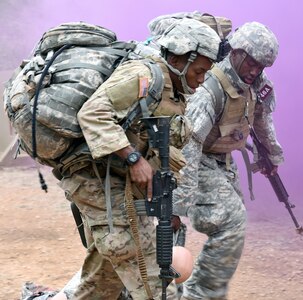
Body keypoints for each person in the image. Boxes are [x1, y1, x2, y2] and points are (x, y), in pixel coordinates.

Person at [55, 18, 220, 300]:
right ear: (181, 58)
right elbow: (93, 114)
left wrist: (167, 202)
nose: (202, 79)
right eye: (199, 70)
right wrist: (133, 158)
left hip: (120, 181)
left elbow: (154, 143)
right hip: (93, 177)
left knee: (105, 279)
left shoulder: (174, 90)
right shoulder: (143, 76)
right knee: (147, 266)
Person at [172, 21, 284, 300]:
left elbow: (261, 120)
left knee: (233, 220)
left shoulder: (257, 84)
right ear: (236, 52)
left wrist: (269, 155)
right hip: (197, 160)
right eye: (252, 63)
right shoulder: (211, 87)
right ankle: (200, 294)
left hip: (222, 160)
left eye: (261, 67)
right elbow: (189, 145)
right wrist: (178, 203)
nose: (255, 71)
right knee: (231, 220)